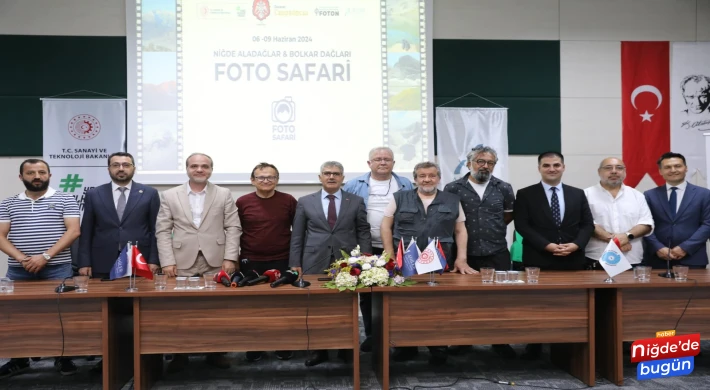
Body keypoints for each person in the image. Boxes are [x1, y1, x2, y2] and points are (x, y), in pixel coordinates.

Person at [381, 161, 476, 365]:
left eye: (432, 176)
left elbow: (460, 230)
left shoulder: (452, 200)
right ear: (415, 179)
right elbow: (385, 226)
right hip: (406, 262)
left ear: (438, 178)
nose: (427, 179)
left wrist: (462, 258)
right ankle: (407, 347)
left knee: (437, 307)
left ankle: (438, 346)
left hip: (439, 263)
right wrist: (388, 255)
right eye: (422, 176)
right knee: (405, 307)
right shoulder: (400, 197)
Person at [156, 152, 242, 372]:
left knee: (217, 310)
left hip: (216, 260)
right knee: (179, 310)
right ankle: (180, 355)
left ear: (211, 170)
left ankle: (216, 353)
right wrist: (166, 261)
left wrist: (230, 257)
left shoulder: (223, 194)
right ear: (187, 169)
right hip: (181, 260)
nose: (200, 170)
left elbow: (233, 227)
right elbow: (163, 230)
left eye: (205, 166)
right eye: (194, 166)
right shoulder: (170, 195)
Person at [0, 159, 81, 378]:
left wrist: (45, 257)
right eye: (31, 172)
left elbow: (73, 231)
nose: (37, 176)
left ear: (49, 175)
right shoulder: (8, 203)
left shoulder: (65, 199)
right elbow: (0, 235)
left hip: (57, 267)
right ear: (21, 177)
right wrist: (23, 258)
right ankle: (19, 359)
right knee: (15, 316)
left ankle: (63, 358)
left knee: (60, 315)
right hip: (19, 270)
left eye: (42, 172)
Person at [289, 161, 372, 367]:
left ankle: (346, 349)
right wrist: (295, 262)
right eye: (327, 173)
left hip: (347, 261)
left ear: (343, 178)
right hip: (314, 260)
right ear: (320, 177)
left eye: (336, 173)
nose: (331, 177)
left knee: (346, 306)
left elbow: (363, 231)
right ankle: (320, 350)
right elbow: (297, 234)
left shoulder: (356, 200)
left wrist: (367, 258)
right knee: (317, 307)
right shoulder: (306, 201)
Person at [513, 151, 594, 360]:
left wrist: (576, 245)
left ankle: (570, 344)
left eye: (556, 165)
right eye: (546, 165)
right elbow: (522, 225)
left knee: (572, 305)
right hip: (539, 259)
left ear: (563, 167)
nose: (552, 169)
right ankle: (535, 344)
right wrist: (546, 245)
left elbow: (587, 225)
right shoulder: (525, 194)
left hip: (572, 259)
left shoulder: (578, 194)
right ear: (539, 168)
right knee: (538, 305)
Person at [443, 146, 517, 359]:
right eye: (480, 161)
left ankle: (500, 341)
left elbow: (508, 216)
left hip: (497, 251)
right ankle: (463, 341)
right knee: (463, 301)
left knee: (500, 300)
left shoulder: (503, 187)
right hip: (464, 254)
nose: (485, 166)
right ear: (469, 163)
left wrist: (490, 231)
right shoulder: (453, 188)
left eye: (490, 162)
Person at [342, 146, 413, 353]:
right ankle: (372, 336)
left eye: (387, 159)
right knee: (368, 292)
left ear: (393, 163)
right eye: (378, 159)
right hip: (365, 246)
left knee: (400, 292)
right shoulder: (355, 184)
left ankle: (401, 339)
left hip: (399, 245)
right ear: (369, 163)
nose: (383, 162)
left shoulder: (405, 184)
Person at [237, 162, 297, 362]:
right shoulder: (242, 202)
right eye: (261, 177)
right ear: (252, 180)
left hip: (282, 259)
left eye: (271, 177)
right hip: (251, 260)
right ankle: (256, 346)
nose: (266, 181)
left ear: (277, 180)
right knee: (253, 307)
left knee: (283, 307)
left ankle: (283, 344)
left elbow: (297, 231)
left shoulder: (288, 201)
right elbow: (234, 231)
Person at [79, 152, 161, 279]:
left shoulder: (149, 193)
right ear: (108, 169)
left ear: (134, 168)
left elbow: (155, 230)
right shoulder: (94, 194)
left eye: (126, 165)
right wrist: (84, 262)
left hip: (139, 259)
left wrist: (154, 260)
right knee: (105, 298)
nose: (121, 169)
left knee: (138, 297)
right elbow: (86, 231)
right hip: (102, 260)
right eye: (116, 165)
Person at [643, 152, 710, 269]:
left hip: (693, 257)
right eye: (667, 167)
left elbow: (707, 224)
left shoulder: (704, 194)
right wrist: (658, 247)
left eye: (677, 166)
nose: (673, 170)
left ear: (686, 168)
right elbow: (644, 225)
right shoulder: (650, 195)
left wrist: (685, 247)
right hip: (657, 258)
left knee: (695, 288)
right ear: (660, 171)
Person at [584, 157, 653, 268]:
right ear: (599, 172)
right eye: (608, 168)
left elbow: (646, 224)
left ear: (624, 172)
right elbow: (586, 223)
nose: (614, 171)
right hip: (597, 257)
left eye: (619, 168)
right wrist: (615, 241)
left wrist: (627, 236)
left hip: (631, 258)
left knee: (629, 286)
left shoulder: (637, 195)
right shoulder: (586, 194)